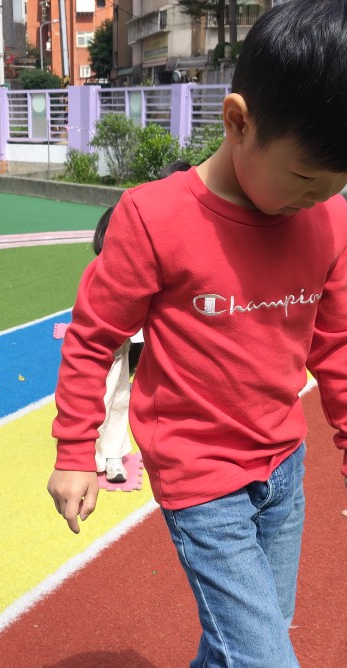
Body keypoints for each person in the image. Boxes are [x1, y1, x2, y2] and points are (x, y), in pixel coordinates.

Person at [46, 1, 347, 668]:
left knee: (253, 638)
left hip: (283, 467)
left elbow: (339, 339)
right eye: (305, 177)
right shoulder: (153, 218)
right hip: (200, 477)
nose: (318, 197)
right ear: (238, 121)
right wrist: (75, 451)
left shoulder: (325, 219)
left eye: (339, 182)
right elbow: (93, 339)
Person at [92, 161, 191, 483]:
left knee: (123, 392)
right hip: (120, 327)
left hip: (147, 329)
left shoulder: (186, 227)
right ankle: (95, 451)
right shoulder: (135, 216)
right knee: (107, 389)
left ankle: (113, 453)